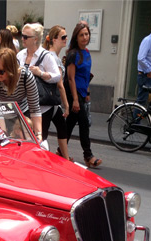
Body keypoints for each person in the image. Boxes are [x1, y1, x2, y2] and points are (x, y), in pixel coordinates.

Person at [19, 23, 62, 155]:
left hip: (41, 105)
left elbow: (57, 76)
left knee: (39, 139)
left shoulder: (46, 56)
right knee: (23, 137)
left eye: (26, 37)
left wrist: (41, 73)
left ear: (35, 39)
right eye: (22, 36)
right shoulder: (20, 55)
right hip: (23, 104)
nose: (23, 39)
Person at [65, 23, 101, 168]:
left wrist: (87, 92)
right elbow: (71, 78)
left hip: (81, 92)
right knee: (84, 123)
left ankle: (61, 150)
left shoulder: (86, 52)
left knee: (70, 124)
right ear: (76, 37)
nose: (85, 37)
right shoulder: (73, 54)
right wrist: (75, 99)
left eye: (86, 34)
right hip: (72, 92)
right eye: (81, 35)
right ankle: (88, 155)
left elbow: (86, 75)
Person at [0, 48, 42, 140]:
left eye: (0, 71)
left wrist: (38, 134)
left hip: (22, 111)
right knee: (3, 141)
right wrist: (3, 135)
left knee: (26, 140)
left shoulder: (26, 77)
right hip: (2, 112)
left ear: (11, 70)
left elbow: (34, 108)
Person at [43, 25, 72, 160]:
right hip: (49, 102)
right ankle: (41, 159)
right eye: (63, 37)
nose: (66, 39)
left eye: (66, 36)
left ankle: (65, 158)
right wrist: (66, 105)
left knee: (62, 128)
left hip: (52, 102)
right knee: (42, 135)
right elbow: (60, 84)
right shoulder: (52, 58)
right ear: (54, 39)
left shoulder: (53, 56)